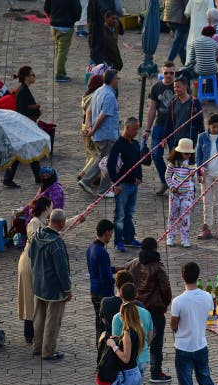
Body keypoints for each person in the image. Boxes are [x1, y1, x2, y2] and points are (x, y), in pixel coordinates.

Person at [172, 262, 217, 385]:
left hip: (183, 348)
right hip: (201, 345)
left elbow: (174, 326)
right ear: (198, 276)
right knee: (206, 383)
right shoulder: (207, 297)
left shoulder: (178, 301)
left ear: (183, 276)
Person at [111, 283, 157, 385]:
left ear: (120, 295)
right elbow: (151, 334)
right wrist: (143, 348)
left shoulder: (118, 317)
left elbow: (117, 339)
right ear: (136, 294)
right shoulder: (145, 313)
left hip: (128, 363)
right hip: (143, 359)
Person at [121, 238, 173, 383]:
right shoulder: (158, 267)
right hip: (154, 309)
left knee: (135, 338)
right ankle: (156, 372)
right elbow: (166, 290)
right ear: (155, 249)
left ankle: (131, 368)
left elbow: (123, 274)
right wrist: (164, 304)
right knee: (156, 342)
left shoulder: (134, 263)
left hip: (135, 308)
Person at [28, 209, 71, 361]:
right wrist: (67, 289)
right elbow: (62, 270)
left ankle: (37, 347)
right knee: (52, 321)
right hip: (53, 289)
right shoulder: (57, 243)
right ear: (61, 223)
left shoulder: (36, 236)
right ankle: (48, 351)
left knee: (39, 318)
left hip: (38, 284)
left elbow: (30, 256)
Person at [17, 197, 52, 344]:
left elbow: (60, 226)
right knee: (30, 298)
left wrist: (80, 217)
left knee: (36, 298)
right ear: (45, 208)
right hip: (29, 263)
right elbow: (34, 238)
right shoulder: (34, 223)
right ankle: (30, 333)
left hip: (36, 263)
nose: (52, 208)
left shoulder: (44, 223)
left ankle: (34, 332)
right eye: (51, 206)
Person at [80, 69, 120, 196]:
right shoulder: (109, 95)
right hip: (107, 134)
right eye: (117, 78)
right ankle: (103, 189)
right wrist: (93, 130)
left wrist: (90, 127)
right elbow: (103, 116)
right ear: (113, 80)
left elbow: (90, 111)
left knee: (102, 159)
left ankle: (87, 181)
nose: (118, 81)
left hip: (100, 134)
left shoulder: (98, 91)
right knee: (108, 161)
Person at [3, 66, 43, 188]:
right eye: (32, 75)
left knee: (31, 150)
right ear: (26, 77)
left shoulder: (24, 89)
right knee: (19, 153)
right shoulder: (23, 90)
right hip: (23, 126)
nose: (34, 77)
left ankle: (37, 176)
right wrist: (35, 109)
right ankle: (8, 178)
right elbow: (22, 109)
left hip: (25, 125)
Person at [109, 117, 143, 253]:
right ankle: (118, 241)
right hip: (122, 185)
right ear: (127, 128)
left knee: (129, 213)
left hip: (133, 185)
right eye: (134, 129)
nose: (136, 132)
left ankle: (129, 238)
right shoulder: (118, 144)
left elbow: (138, 162)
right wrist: (116, 184)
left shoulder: (135, 143)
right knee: (120, 215)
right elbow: (111, 165)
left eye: (137, 129)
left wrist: (139, 177)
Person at [143, 62, 176, 195]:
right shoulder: (156, 87)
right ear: (162, 73)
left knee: (175, 157)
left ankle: (175, 183)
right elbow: (152, 110)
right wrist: (147, 129)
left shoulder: (179, 87)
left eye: (171, 73)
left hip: (175, 127)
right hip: (159, 125)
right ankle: (165, 181)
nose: (168, 75)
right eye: (166, 73)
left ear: (175, 73)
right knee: (156, 155)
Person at [86, 219, 115, 343]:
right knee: (105, 325)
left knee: (99, 322)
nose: (111, 235)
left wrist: (117, 269)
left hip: (94, 290)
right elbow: (106, 278)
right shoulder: (102, 252)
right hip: (104, 293)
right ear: (107, 232)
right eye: (111, 232)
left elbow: (100, 269)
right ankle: (103, 349)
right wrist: (118, 281)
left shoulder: (91, 247)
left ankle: (100, 346)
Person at [165, 138, 198, 248]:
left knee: (185, 216)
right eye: (185, 153)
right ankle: (171, 236)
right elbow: (167, 176)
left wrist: (194, 173)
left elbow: (195, 177)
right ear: (179, 152)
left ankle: (185, 238)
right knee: (173, 215)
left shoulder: (192, 163)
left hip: (187, 193)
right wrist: (172, 186)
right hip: (175, 193)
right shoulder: (173, 163)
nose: (188, 155)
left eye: (190, 153)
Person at [44, 0, 81, 82]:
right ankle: (60, 74)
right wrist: (73, 20)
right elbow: (77, 10)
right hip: (66, 25)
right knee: (62, 51)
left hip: (54, 25)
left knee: (58, 49)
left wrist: (52, 16)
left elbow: (46, 7)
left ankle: (60, 71)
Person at [78, 74, 105, 185]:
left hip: (84, 127)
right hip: (91, 128)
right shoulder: (95, 97)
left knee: (90, 154)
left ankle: (95, 177)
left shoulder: (86, 95)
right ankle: (84, 174)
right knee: (98, 155)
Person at [166, 76, 205, 151]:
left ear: (185, 87)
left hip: (189, 140)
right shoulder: (173, 102)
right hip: (175, 140)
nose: (176, 89)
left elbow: (200, 122)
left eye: (178, 87)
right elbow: (169, 120)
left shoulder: (195, 102)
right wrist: (165, 137)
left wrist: (203, 138)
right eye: (174, 87)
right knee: (174, 161)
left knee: (187, 162)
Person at [87, 0, 115, 65]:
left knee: (96, 52)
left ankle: (94, 68)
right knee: (101, 52)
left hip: (96, 24)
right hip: (102, 23)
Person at [164, 0, 190, 64]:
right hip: (179, 19)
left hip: (168, 17)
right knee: (178, 43)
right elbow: (188, 6)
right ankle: (168, 64)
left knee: (181, 44)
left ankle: (186, 64)